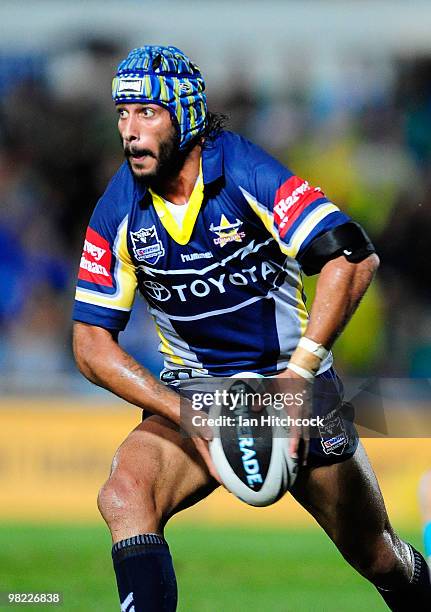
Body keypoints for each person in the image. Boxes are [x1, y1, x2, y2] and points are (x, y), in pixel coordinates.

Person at [72, 45, 430, 611]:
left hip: (291, 386)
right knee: (124, 493)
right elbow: (90, 344)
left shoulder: (247, 172)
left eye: (146, 112)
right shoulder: (117, 208)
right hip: (199, 391)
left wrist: (297, 376)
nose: (130, 132)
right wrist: (187, 413)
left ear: (186, 114)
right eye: (122, 114)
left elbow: (354, 257)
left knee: (377, 555)